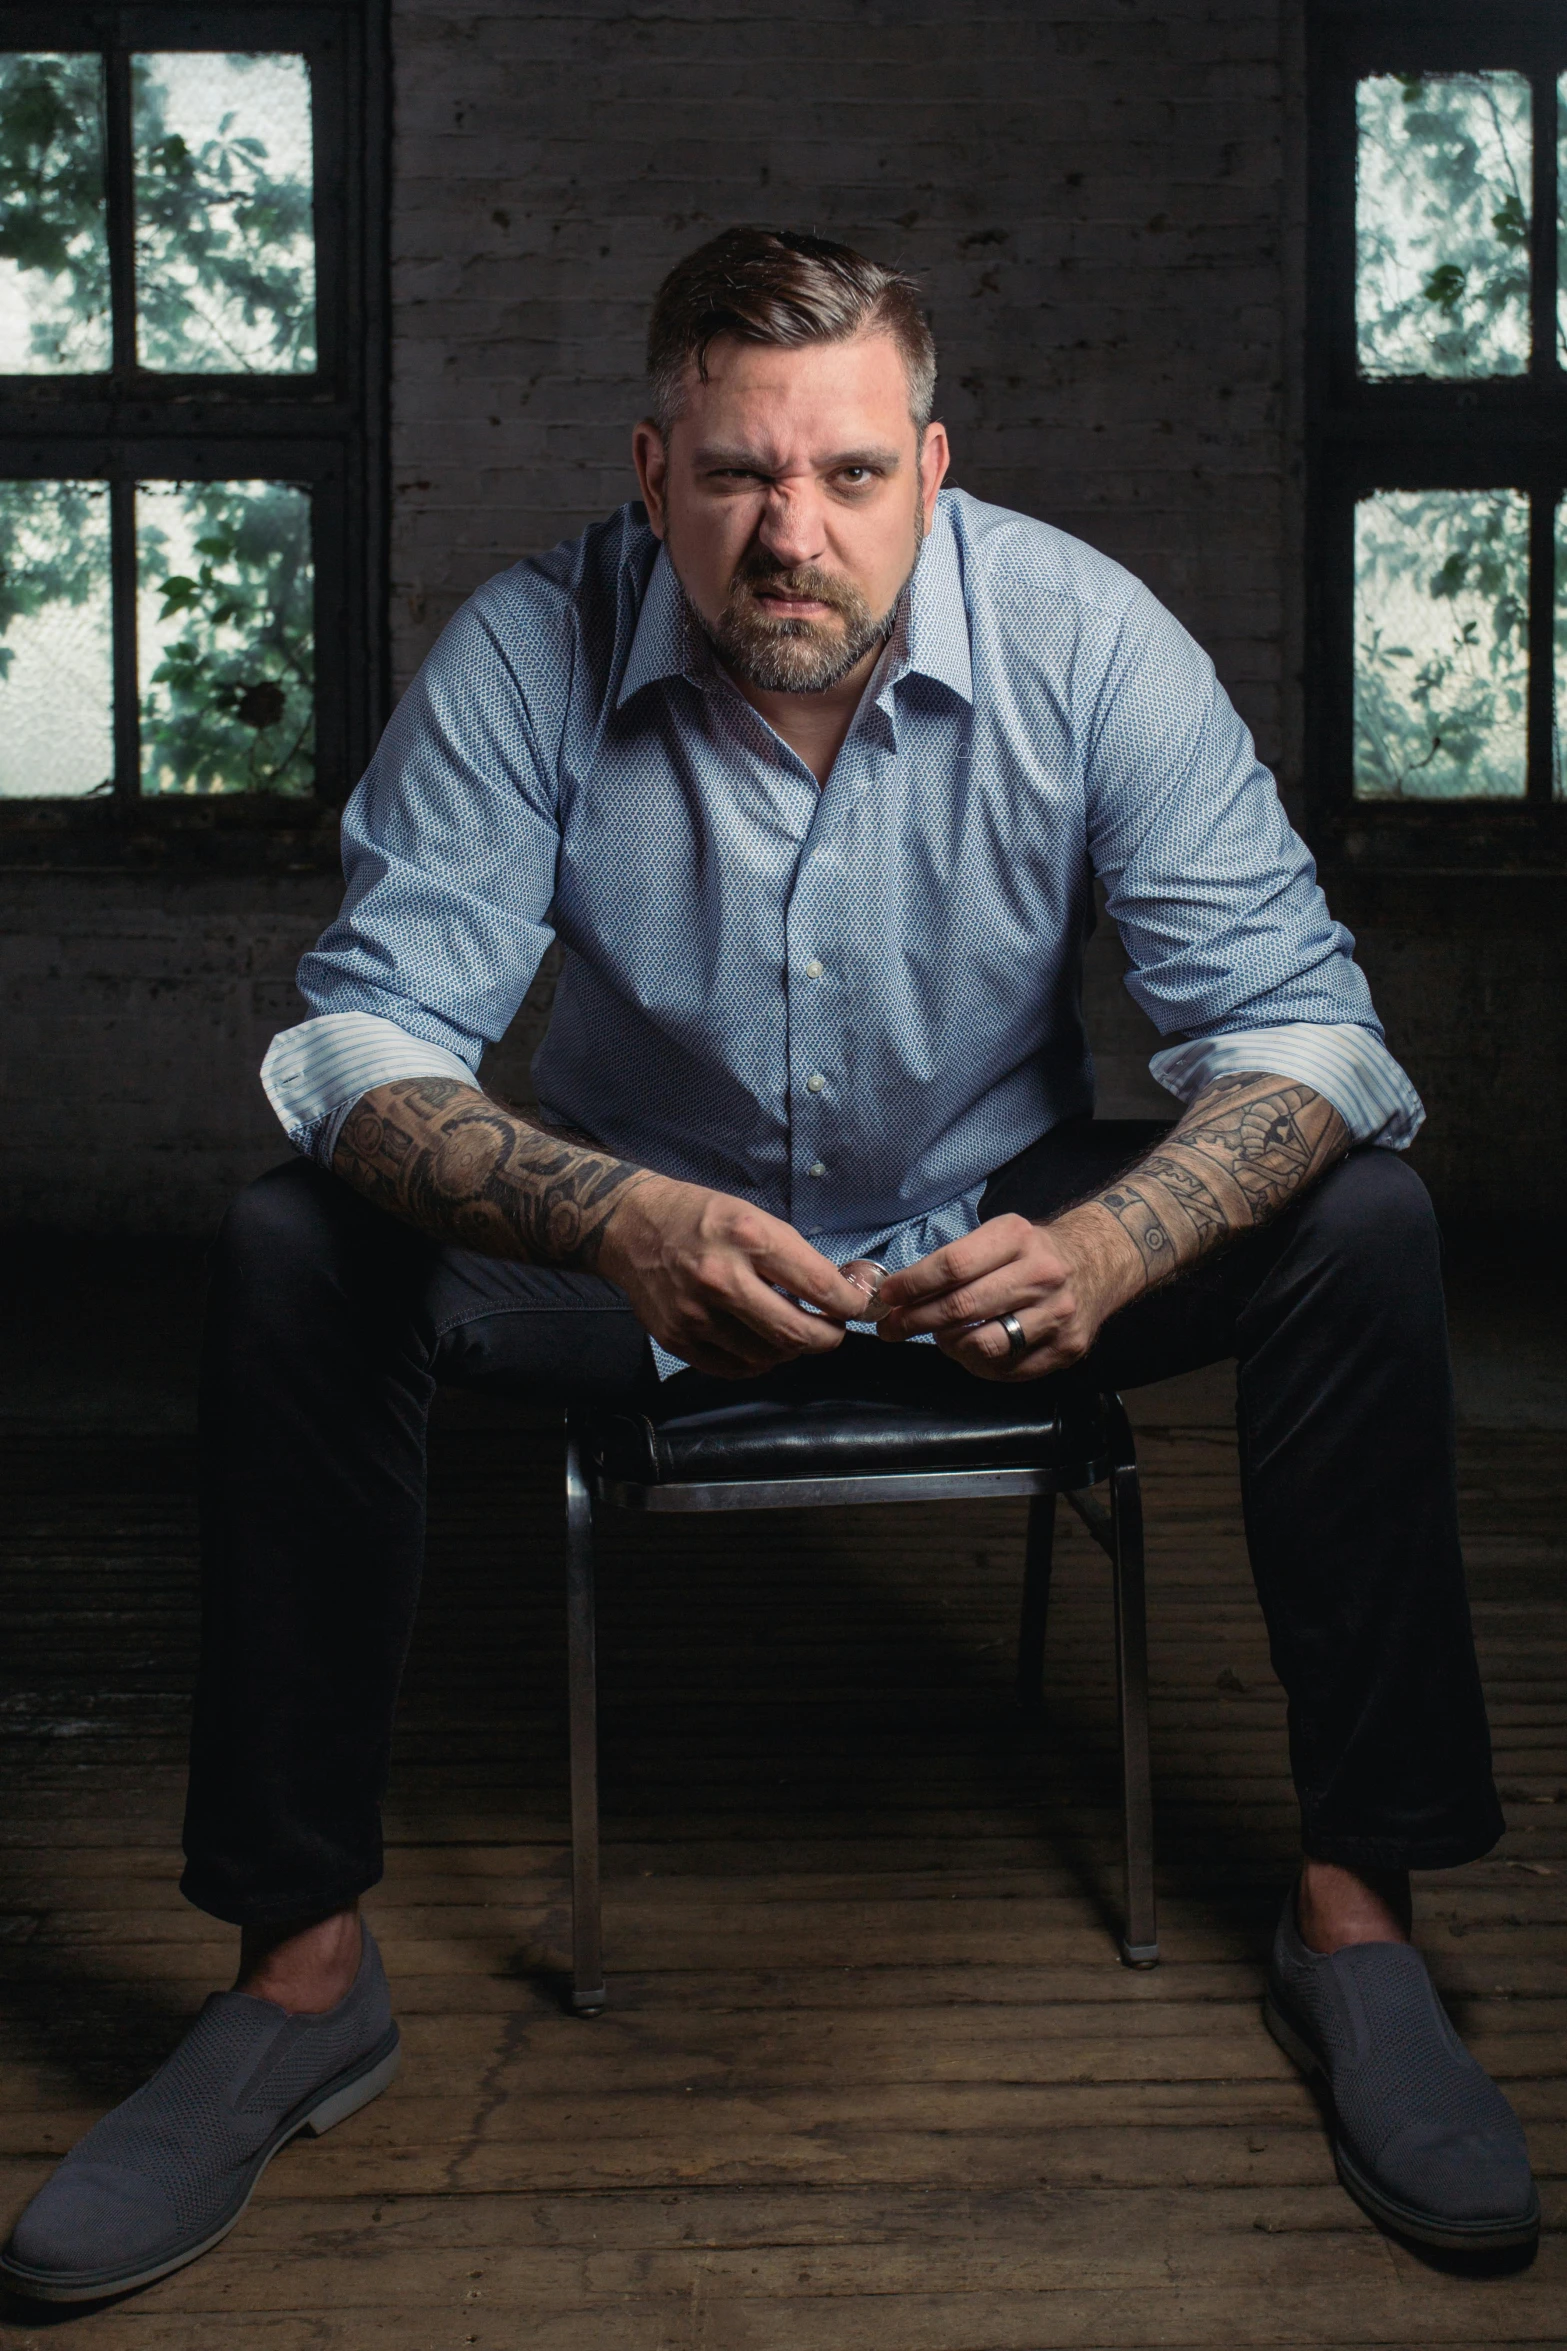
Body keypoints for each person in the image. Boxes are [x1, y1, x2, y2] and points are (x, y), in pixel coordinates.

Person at [1, 226, 1536, 2303]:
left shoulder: (1090, 642)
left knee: (1361, 1211)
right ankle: (299, 1975)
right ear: (652, 474)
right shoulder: (531, 647)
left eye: (846, 475)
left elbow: (1310, 1028)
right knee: (298, 1245)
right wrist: (610, 1214)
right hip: (640, 1240)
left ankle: (1361, 1920)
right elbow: (358, 1046)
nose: (786, 532)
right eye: (734, 475)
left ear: (934, 464)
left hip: (999, 1219)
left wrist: (1116, 1231)